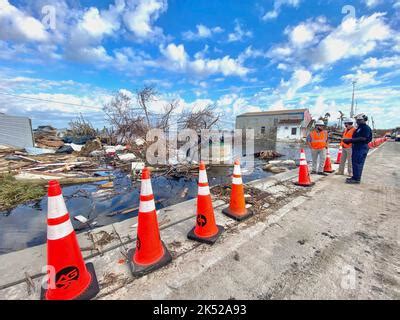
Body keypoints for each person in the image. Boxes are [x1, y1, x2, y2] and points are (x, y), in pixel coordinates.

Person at [342, 113, 373, 184]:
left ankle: (357, 179)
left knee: (358, 163)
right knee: (355, 162)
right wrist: (349, 141)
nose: (357, 121)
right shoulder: (359, 128)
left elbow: (363, 138)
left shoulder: (366, 128)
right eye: (357, 120)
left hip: (361, 148)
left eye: (359, 120)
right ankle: (355, 177)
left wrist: (350, 140)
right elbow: (355, 137)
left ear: (363, 120)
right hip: (356, 147)